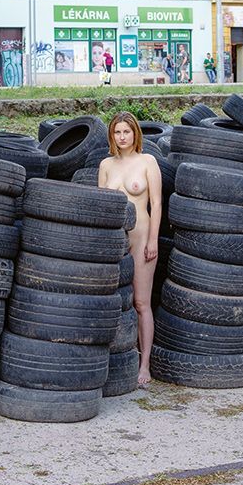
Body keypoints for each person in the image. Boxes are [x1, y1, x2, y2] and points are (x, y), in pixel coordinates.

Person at [98, 112, 162, 387]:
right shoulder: (106, 165)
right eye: (117, 132)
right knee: (114, 302)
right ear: (111, 136)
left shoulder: (148, 162)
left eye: (127, 131)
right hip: (116, 239)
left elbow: (156, 205)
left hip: (142, 236)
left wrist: (153, 241)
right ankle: (118, 359)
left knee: (140, 302)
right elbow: (102, 205)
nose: (122, 137)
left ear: (136, 133)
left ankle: (144, 364)